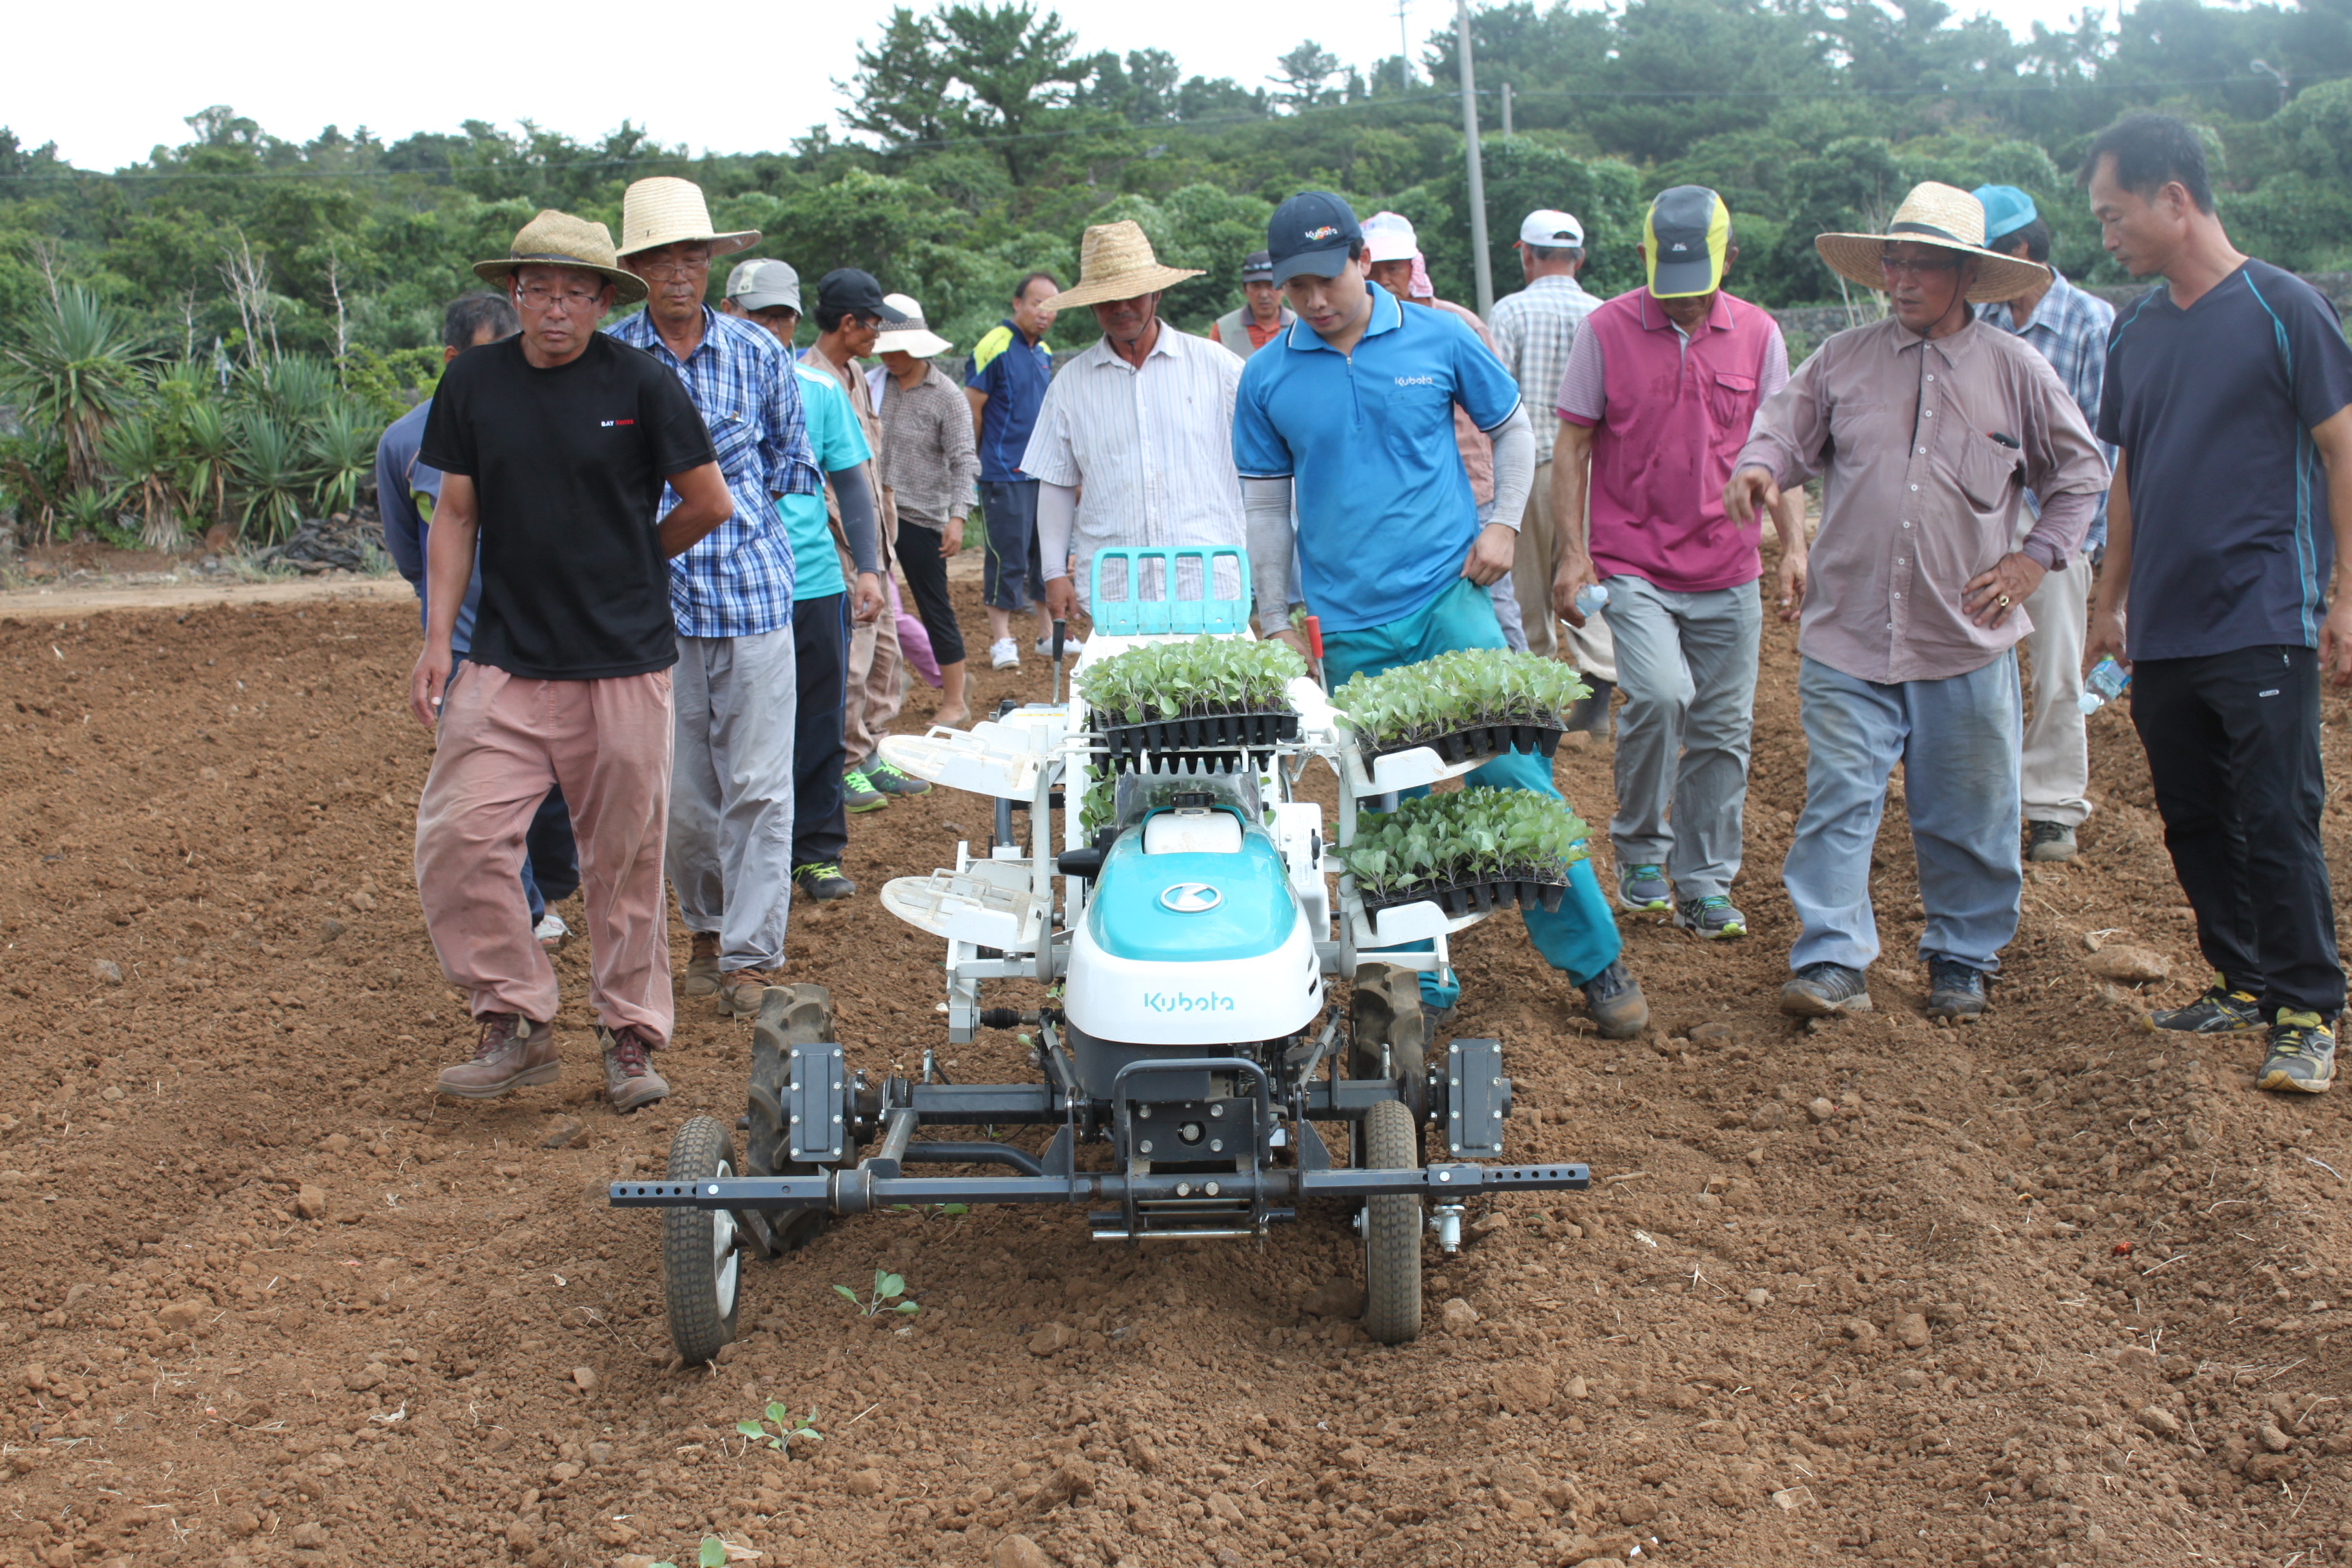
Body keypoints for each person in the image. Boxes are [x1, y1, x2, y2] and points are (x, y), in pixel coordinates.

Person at [1234, 191, 1648, 1038]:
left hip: (1447, 602)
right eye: (1295, 285)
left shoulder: (1439, 334)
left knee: (1514, 781)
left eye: (1325, 278)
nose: (1313, 300)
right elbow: (1267, 509)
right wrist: (1273, 616)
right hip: (1348, 625)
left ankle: (1596, 962)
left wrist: (1501, 524)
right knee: (1388, 802)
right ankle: (1416, 970)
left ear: (1360, 258)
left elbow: (1514, 432)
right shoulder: (1268, 374)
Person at [1727, 182, 2108, 1023]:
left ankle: (1962, 958)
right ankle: (1832, 960)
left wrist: (2034, 559)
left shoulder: (2017, 371)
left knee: (1969, 808)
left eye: (1921, 265)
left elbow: (2081, 474)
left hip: (1962, 637)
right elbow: (1785, 429)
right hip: (1848, 633)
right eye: (1892, 262)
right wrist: (1762, 466)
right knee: (1839, 799)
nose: (1900, 280)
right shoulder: (1845, 358)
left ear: (1966, 278)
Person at [410, 209, 733, 1112]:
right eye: (539, 289)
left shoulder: (640, 382)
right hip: (505, 660)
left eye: (576, 292)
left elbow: (709, 503)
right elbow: (457, 516)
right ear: (514, 295)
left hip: (622, 662)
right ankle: (513, 1019)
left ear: (600, 300)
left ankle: (629, 1039)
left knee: (623, 859)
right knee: (459, 838)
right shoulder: (475, 383)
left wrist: (636, 557)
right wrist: (437, 641)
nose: (556, 307)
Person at [2082, 113, 2352, 1092]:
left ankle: (2310, 1008)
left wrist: (2343, 594)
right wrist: (2110, 602)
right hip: (2167, 621)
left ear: (2176, 199)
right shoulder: (2137, 329)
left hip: (2265, 610)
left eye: (2115, 215)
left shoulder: (2286, 308)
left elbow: (2340, 448)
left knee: (2277, 814)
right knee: (2194, 815)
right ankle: (2243, 980)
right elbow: (2127, 472)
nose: (2106, 236)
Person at [1550, 186, 1799, 941]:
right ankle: (1639, 849)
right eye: (1672, 290)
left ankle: (1704, 881)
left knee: (1723, 730)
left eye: (1700, 291)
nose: (1686, 307)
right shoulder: (1607, 328)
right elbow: (1574, 444)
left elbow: (1781, 448)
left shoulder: (1759, 334)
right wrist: (1573, 552)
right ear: (1644, 262)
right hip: (1634, 562)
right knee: (1659, 696)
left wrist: (1795, 548)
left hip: (1728, 567)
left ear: (1728, 259)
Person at [607, 177, 820, 1019]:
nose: (678, 271)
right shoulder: (614, 361)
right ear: (638, 270)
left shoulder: (760, 353)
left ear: (709, 263)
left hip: (756, 593)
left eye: (692, 254)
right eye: (660, 257)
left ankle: (750, 957)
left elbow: (788, 461)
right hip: (656, 603)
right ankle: (704, 925)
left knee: (762, 785)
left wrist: (747, 525)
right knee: (683, 791)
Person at [377, 292, 582, 950]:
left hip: (551, 637)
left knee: (554, 786)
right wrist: (442, 628)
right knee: (489, 792)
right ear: (452, 360)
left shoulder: (542, 421)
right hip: (468, 648)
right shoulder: (404, 444)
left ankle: (549, 885)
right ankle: (521, 912)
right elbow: (414, 553)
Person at [720, 258, 887, 903]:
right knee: (735, 730)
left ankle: (815, 853)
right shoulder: (700, 391)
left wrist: (868, 568)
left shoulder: (815, 392)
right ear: (729, 314)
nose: (771, 328)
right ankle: (736, 859)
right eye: (758, 315)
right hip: (730, 590)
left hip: (811, 584)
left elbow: (850, 479)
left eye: (781, 317)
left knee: (818, 723)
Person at [1972, 184, 2117, 867]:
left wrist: (2083, 541)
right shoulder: (1980, 323)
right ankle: (1990, 800)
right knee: (1978, 659)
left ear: (2019, 252)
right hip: (1983, 511)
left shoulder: (2091, 323)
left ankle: (2054, 806)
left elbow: (2100, 447)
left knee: (2057, 666)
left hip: (2057, 520)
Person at [1022, 220, 1250, 623]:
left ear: (1157, 293)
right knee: (1124, 688)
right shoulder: (1070, 385)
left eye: (1133, 295)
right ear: (1092, 306)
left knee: (1214, 688)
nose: (1121, 308)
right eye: (1108, 300)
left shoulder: (1220, 369)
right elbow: (1055, 481)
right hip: (1118, 591)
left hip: (1209, 583)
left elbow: (1266, 467)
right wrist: (1054, 572)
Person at [1360, 210, 1526, 651]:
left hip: (1474, 492)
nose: (1383, 279)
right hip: (1403, 504)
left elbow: (1506, 417)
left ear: (1414, 268)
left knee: (1494, 603)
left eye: (1393, 268)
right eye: (1373, 269)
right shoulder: (1356, 341)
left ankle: (1530, 710)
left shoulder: (1458, 326)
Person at [804, 270, 926, 809]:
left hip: (876, 542)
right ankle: (847, 762)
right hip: (841, 546)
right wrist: (857, 553)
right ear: (848, 322)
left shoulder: (855, 373)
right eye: (874, 323)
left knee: (885, 655)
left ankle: (871, 748)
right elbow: (823, 479)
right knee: (852, 662)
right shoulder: (809, 379)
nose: (879, 334)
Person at [1491, 208, 1615, 728]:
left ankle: (1538, 698)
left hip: (1528, 465)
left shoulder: (1510, 312)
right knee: (1583, 571)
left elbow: (1498, 399)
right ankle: (1597, 693)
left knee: (1526, 589)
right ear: (1579, 257)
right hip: (1590, 470)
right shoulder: (1604, 312)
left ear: (1526, 254)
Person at [869, 293, 979, 728]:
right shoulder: (873, 383)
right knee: (871, 605)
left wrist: (958, 516)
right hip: (877, 510)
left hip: (920, 516)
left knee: (936, 607)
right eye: (886, 349)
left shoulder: (946, 396)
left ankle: (955, 698)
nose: (892, 357)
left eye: (900, 348)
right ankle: (883, 684)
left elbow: (964, 459)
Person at [966, 272, 1063, 669]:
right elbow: (972, 405)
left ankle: (1046, 635)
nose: (1044, 313)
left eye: (1052, 306)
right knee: (1007, 557)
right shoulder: (995, 345)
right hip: (1004, 470)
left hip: (1042, 473)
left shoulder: (1044, 353)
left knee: (1045, 557)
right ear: (1017, 303)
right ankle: (1002, 641)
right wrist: (975, 461)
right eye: (1036, 303)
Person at [1209, 250, 1294, 362]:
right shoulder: (1223, 328)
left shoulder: (1300, 325)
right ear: (1245, 289)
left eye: (1270, 286)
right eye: (1256, 286)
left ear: (1283, 288)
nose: (1264, 295)